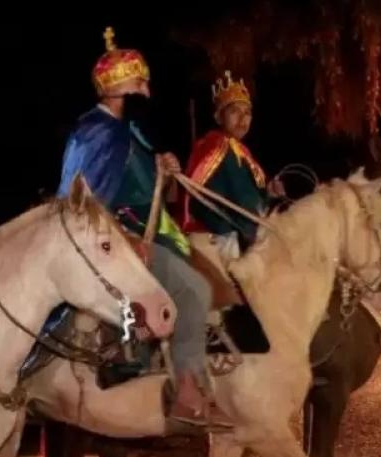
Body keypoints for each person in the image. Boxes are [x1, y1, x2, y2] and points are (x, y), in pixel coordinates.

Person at [57, 28, 212, 422]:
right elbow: (83, 204)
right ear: (116, 86)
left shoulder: (128, 130)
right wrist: (125, 238)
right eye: (139, 81)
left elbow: (139, 182)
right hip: (114, 238)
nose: (147, 88)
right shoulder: (96, 132)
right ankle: (185, 389)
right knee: (195, 290)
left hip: (141, 230)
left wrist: (164, 166)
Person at [180, 71, 284, 254]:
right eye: (234, 111)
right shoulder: (216, 146)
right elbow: (243, 202)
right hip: (219, 238)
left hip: (240, 233)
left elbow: (247, 202)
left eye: (247, 113)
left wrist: (268, 194)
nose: (243, 119)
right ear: (219, 117)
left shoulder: (241, 152)